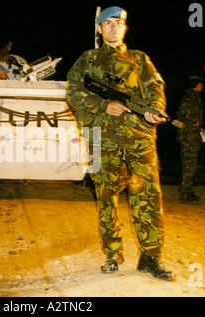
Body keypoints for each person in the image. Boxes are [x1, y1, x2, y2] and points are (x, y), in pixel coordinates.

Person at [66, 6, 174, 281]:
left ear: (125, 29)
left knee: (148, 196)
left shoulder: (140, 59)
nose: (113, 27)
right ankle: (113, 253)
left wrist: (153, 109)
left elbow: (155, 88)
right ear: (99, 30)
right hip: (101, 138)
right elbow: (73, 92)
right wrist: (103, 105)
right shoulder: (87, 59)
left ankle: (150, 257)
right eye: (107, 23)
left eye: (118, 23)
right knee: (106, 197)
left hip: (138, 138)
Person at [176, 75, 205, 205]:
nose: (203, 87)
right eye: (201, 84)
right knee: (189, 164)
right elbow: (183, 115)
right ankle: (185, 193)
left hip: (192, 134)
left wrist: (200, 128)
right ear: (197, 84)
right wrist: (195, 122)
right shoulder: (189, 97)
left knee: (191, 164)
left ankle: (188, 189)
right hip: (188, 136)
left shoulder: (195, 97)